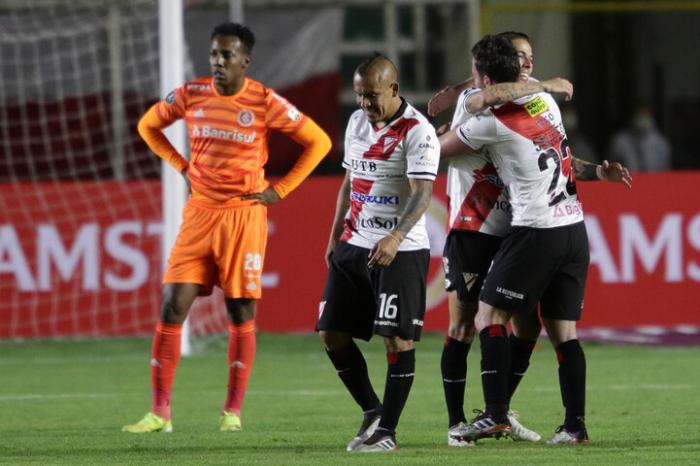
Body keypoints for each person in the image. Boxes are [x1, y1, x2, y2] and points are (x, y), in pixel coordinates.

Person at [122, 22, 332, 433]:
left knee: (240, 311)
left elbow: (319, 141)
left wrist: (282, 189)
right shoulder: (191, 94)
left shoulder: (264, 101)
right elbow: (148, 126)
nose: (218, 62)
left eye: (227, 55)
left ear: (245, 61)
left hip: (243, 215)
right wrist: (182, 166)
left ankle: (231, 412)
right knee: (171, 305)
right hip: (199, 213)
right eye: (215, 54)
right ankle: (159, 413)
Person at [431, 31, 630, 446]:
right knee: (563, 332)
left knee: (488, 317)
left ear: (485, 79)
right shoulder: (545, 103)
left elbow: (432, 151)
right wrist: (597, 172)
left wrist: (429, 132)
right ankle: (575, 426)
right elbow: (559, 155)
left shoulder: (485, 121)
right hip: (574, 228)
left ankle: (495, 415)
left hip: (535, 230)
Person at [316, 53, 439, 452]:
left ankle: (387, 433)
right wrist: (334, 236)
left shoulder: (417, 132)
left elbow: (422, 193)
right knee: (330, 333)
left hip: (399, 251)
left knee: (397, 341)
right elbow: (349, 182)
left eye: (372, 95)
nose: (365, 104)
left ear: (395, 89)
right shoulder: (356, 123)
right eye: (358, 95)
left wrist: (396, 237)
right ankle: (372, 411)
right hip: (354, 244)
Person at [608, 102, 671, 171]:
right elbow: (610, 169)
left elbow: (666, 170)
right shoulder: (619, 141)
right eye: (639, 114)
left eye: (645, 114)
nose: (642, 118)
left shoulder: (661, 143)